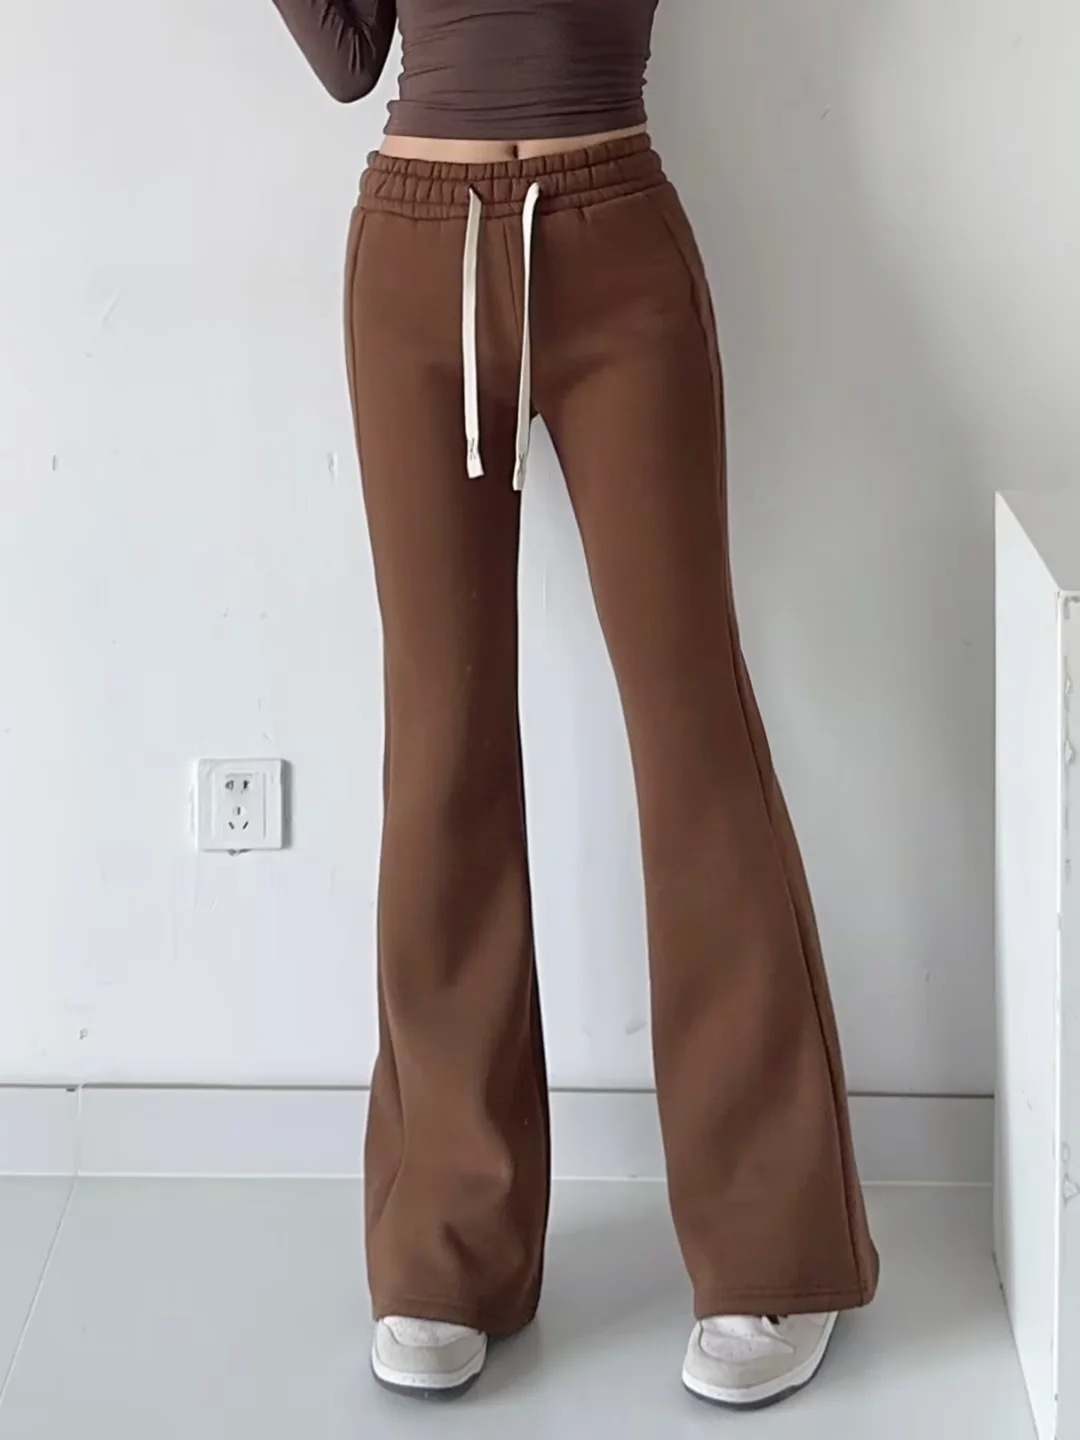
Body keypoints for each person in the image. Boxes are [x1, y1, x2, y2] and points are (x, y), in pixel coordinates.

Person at [272, 0, 879, 1409]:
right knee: (441, 745)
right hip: (415, 247)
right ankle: (445, 1250)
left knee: (694, 738)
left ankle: (775, 1244)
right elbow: (349, 60)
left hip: (614, 244)